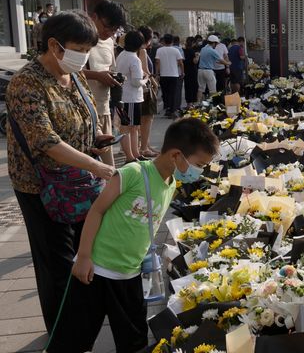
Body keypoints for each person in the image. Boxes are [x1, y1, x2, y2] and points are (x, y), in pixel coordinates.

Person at [5, 11, 115, 346]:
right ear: (54, 46)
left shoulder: (74, 75)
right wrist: (96, 167)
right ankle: (63, 333)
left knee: (88, 252)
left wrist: (97, 140)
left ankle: (83, 321)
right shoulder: (26, 83)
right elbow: (46, 141)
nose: (84, 55)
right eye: (79, 47)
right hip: (42, 187)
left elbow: (82, 119)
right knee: (57, 263)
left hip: (78, 182)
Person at [63, 118, 218, 352]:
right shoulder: (133, 173)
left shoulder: (171, 185)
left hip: (130, 274)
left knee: (134, 340)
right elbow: (97, 210)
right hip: (97, 270)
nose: (200, 172)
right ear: (176, 155)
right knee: (76, 338)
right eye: (199, 165)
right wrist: (84, 255)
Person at [84, 0, 127, 167]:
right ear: (94, 17)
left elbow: (109, 68)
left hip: (103, 108)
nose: (109, 32)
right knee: (91, 168)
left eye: (114, 30)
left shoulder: (109, 41)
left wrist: (110, 77)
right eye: (107, 27)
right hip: (84, 111)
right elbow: (68, 71)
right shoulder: (81, 39)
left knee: (108, 168)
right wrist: (96, 75)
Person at [116, 31, 147, 164]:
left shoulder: (122, 54)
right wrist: (145, 80)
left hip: (123, 96)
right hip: (132, 97)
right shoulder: (134, 59)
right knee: (129, 128)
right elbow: (136, 82)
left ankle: (135, 154)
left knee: (131, 127)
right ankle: (130, 156)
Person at [138, 26, 159, 158]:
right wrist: (155, 83)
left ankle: (146, 144)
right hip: (145, 88)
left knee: (142, 119)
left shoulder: (132, 50)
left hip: (139, 88)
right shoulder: (142, 51)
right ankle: (144, 148)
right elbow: (145, 70)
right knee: (147, 118)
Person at [155, 34, 185, 118]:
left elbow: (157, 62)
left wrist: (157, 73)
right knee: (173, 93)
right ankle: (172, 110)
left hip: (163, 75)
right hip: (174, 75)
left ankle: (168, 108)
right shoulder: (176, 50)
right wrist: (182, 72)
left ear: (164, 41)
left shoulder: (159, 50)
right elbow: (180, 62)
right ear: (172, 41)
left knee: (165, 93)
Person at [198, 35, 228, 100]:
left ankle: (198, 104)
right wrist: (228, 63)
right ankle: (213, 105)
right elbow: (221, 60)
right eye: (216, 44)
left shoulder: (203, 49)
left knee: (201, 89)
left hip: (200, 70)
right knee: (213, 90)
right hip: (208, 71)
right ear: (214, 43)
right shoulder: (212, 51)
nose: (216, 45)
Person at [183, 36, 199, 104]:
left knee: (187, 87)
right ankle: (192, 103)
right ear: (193, 42)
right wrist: (197, 56)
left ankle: (188, 103)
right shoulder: (192, 51)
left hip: (185, 71)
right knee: (193, 87)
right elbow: (195, 61)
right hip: (192, 71)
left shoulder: (183, 50)